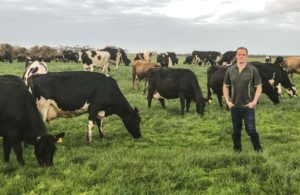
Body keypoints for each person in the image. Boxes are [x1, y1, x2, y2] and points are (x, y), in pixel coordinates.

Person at [223, 47, 263, 152]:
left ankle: (258, 150)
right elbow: (225, 86)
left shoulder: (252, 69)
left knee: (251, 130)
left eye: (243, 54)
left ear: (247, 56)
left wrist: (254, 102)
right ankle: (237, 150)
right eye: (239, 54)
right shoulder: (230, 70)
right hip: (234, 106)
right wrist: (227, 101)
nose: (241, 56)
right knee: (236, 131)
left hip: (248, 106)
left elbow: (259, 87)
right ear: (236, 56)